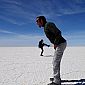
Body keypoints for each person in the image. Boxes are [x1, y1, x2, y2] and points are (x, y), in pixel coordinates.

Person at [36, 16, 67, 85]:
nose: (36, 23)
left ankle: (56, 81)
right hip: (60, 44)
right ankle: (56, 77)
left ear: (41, 20)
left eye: (37, 21)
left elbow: (58, 32)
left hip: (61, 43)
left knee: (55, 62)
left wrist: (55, 43)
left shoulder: (48, 24)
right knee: (54, 62)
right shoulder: (45, 27)